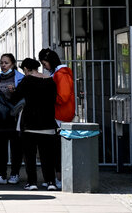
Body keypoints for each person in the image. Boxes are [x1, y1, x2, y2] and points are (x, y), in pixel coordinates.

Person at [11, 58, 59, 191]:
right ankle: (50, 182)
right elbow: (54, 98)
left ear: (26, 69)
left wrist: (12, 91)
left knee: (30, 155)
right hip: (48, 122)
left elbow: (14, 97)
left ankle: (32, 182)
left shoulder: (27, 80)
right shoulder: (50, 80)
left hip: (30, 123)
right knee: (47, 156)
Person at [39, 48, 75, 188]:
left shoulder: (61, 74)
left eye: (45, 63)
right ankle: (58, 178)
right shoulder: (60, 73)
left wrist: (48, 98)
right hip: (60, 114)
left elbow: (63, 96)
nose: (45, 67)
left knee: (56, 149)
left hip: (60, 115)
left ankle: (59, 178)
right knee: (55, 149)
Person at [0, 53, 25, 186]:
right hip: (0, 118)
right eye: (1, 63)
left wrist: (15, 91)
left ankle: (14, 174)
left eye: (6, 63)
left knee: (16, 148)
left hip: (15, 118)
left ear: (13, 64)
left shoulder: (20, 78)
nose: (3, 65)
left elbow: (24, 97)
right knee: (1, 148)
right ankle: (2, 174)